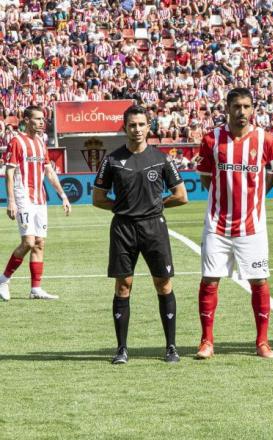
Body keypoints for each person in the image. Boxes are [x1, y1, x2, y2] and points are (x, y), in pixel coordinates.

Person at [92, 105, 188, 364]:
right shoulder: (112, 160)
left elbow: (181, 196)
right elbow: (98, 198)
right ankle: (121, 349)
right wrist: (124, 209)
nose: (136, 129)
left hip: (154, 228)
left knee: (164, 284)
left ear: (149, 127)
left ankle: (171, 347)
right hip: (123, 228)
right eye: (132, 125)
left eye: (141, 124)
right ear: (124, 128)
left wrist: (155, 206)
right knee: (124, 286)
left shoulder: (161, 158)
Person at [194, 88, 273, 360]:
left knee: (259, 280)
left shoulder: (266, 140)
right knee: (209, 279)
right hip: (217, 225)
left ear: (253, 109)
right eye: (236, 106)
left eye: (246, 106)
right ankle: (207, 341)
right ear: (227, 108)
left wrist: (253, 199)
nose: (241, 112)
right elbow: (207, 179)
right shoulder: (211, 140)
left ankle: (262, 342)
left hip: (252, 227)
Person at [0, 106, 72, 302]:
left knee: (40, 243)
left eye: (43, 119)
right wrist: (11, 201)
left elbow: (48, 171)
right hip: (23, 197)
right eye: (38, 119)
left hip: (40, 198)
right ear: (26, 120)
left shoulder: (41, 143)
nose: (42, 122)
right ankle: (3, 279)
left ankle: (36, 289)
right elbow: (9, 171)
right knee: (28, 242)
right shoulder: (17, 141)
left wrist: (63, 195)